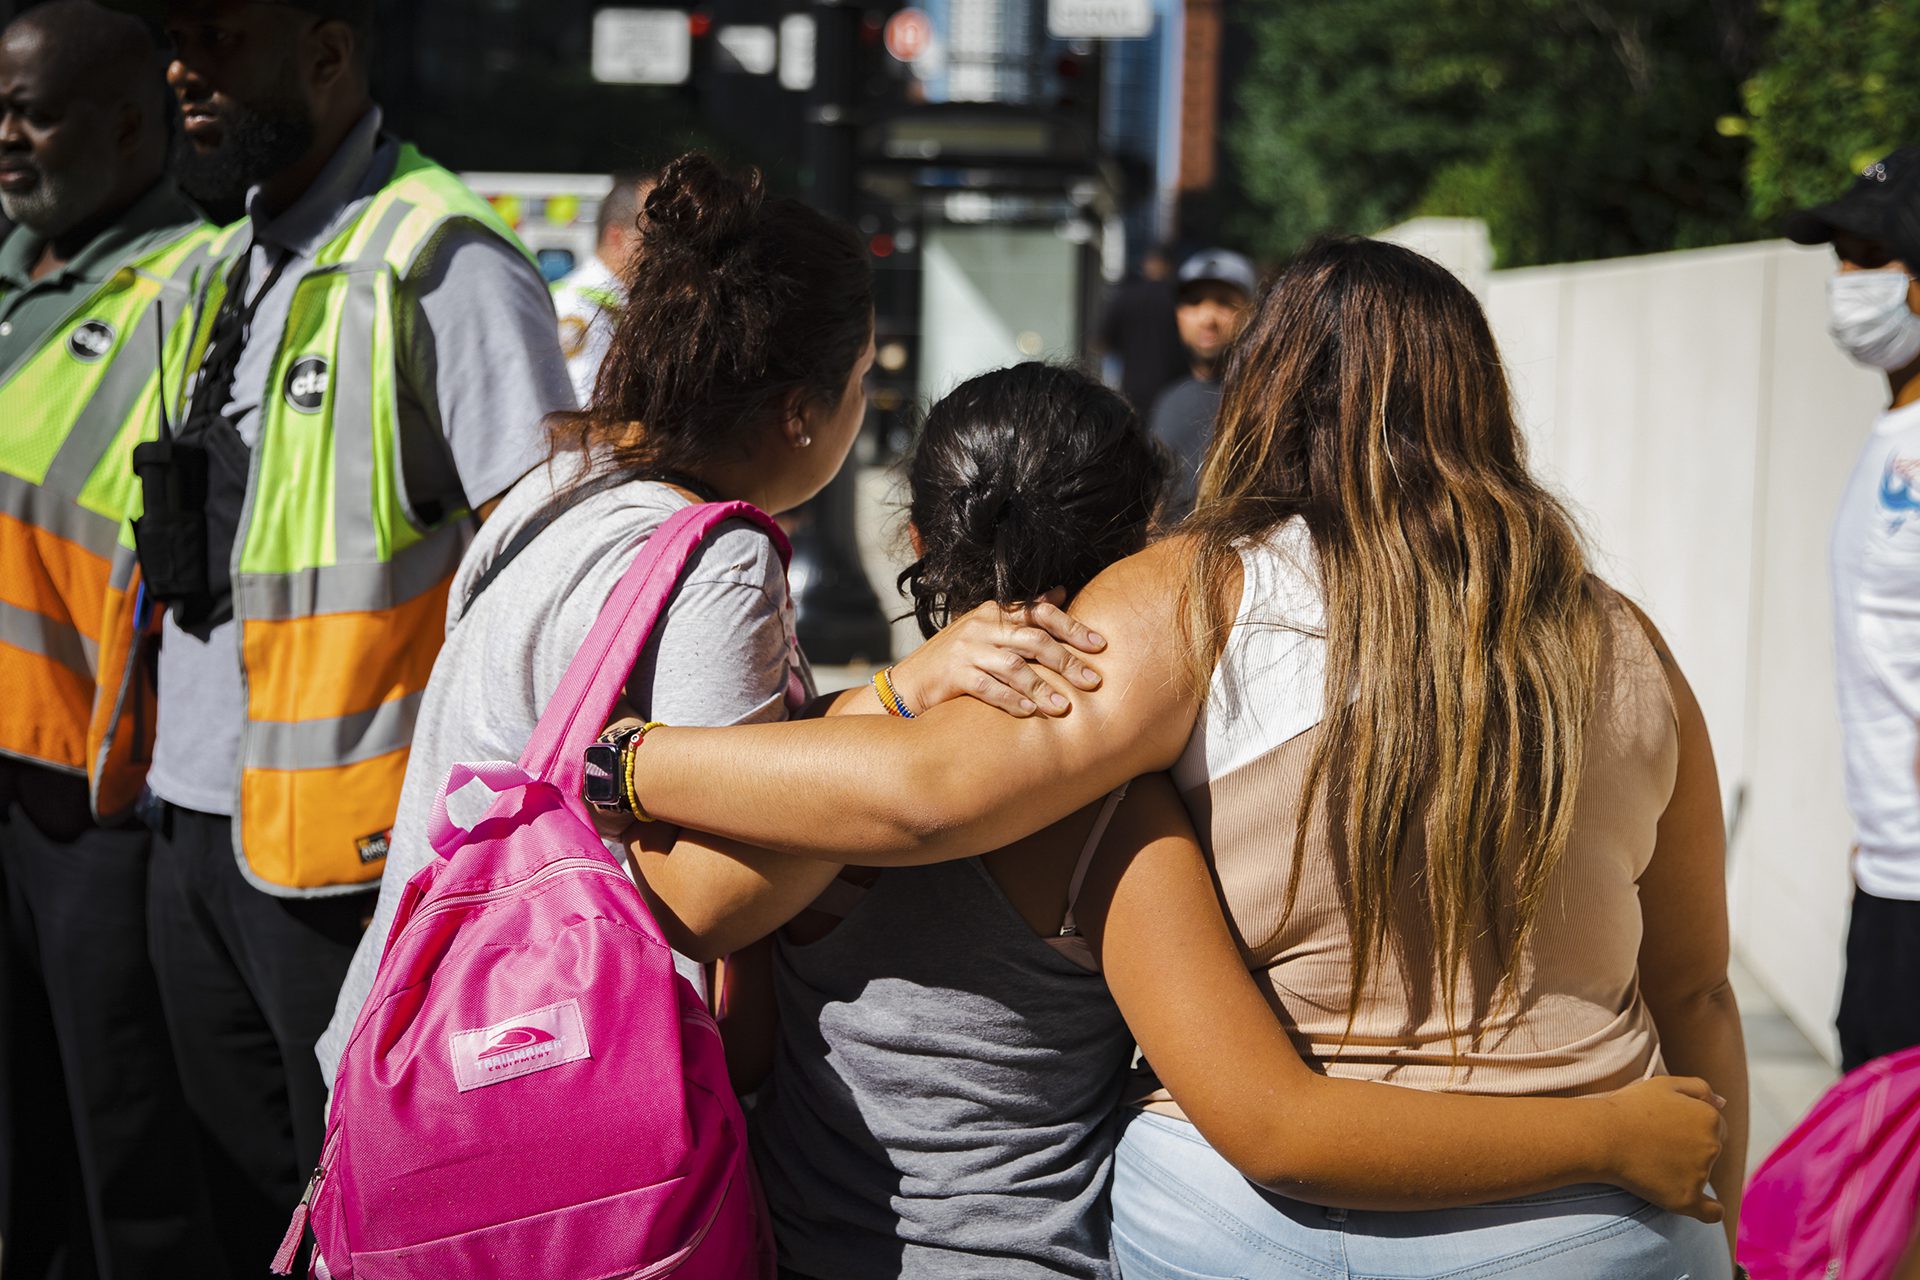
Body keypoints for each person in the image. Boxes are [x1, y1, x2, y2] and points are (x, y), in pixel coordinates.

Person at [623, 238, 1748, 1277]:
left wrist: (632, 762)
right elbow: (1696, 986)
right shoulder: (1630, 646)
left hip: (1248, 1228)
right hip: (1597, 1218)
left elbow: (932, 787)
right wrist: (1708, 1209)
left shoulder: (1201, 598)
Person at [321, 154, 1106, 1088]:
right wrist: (900, 716)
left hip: (405, 1030)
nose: (862, 410)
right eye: (858, 382)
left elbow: (721, 764)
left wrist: (893, 688)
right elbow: (712, 896)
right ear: (800, 415)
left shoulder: (558, 486)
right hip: (532, 1091)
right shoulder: (717, 560)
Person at [142, 0, 574, 1269]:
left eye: (217, 37)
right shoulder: (238, 254)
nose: (184, 68)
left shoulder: (442, 259)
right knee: (231, 1196)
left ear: (326, 53)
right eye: (175, 40)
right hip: (197, 814)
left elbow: (541, 560)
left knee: (349, 1204)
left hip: (352, 855)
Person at [0, 5, 223, 1275]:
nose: (8, 135)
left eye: (37, 110)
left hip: (93, 800)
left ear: (133, 123)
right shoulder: (17, 267)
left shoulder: (179, 287)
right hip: (5, 780)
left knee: (121, 1142)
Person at [1784, 148, 1920, 1073]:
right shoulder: (1894, 431)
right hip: (1892, 877)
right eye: (1841, 252)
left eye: (1872, 254)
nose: (1847, 280)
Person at [1148, 246, 1255, 519]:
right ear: (1178, 314)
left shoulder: (1267, 400)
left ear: (1252, 311)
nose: (1208, 319)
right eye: (1194, 302)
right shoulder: (1169, 399)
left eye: (1224, 302)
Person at [552, 170, 654, 403]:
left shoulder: (617, 304)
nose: (667, 251)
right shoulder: (578, 309)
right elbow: (580, 414)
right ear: (617, 238)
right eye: (653, 237)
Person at [1093, 243, 1183, 414]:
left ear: (1146, 264)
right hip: (1171, 386)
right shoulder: (1177, 299)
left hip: (1131, 386)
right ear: (1169, 266)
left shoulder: (1126, 296)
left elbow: (1100, 342)